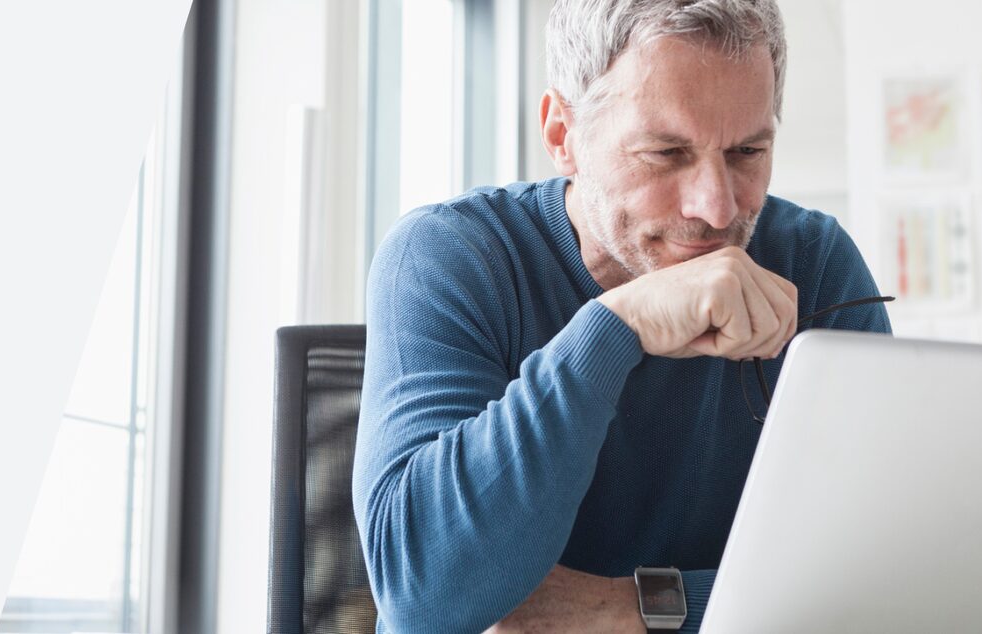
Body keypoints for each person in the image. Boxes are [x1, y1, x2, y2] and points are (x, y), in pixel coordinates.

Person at [352, 0, 891, 631]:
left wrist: (632, 612)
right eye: (666, 153)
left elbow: (883, 575)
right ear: (563, 135)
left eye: (747, 151)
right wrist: (616, 327)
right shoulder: (451, 257)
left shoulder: (814, 263)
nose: (717, 209)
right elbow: (424, 599)